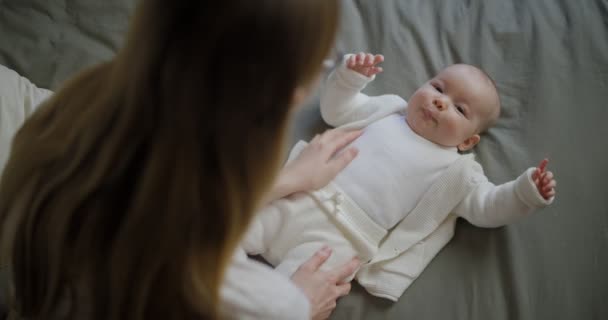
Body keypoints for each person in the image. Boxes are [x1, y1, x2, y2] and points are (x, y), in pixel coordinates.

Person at [0, 1, 362, 319]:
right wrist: (300, 303)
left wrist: (287, 181)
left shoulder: (66, 115)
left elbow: (164, 197)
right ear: (291, 93)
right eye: (323, 60)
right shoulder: (261, 302)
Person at [241, 52, 557, 301]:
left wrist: (523, 193)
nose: (440, 101)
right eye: (438, 87)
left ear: (467, 142)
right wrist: (348, 80)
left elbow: (488, 207)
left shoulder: (459, 171)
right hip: (303, 195)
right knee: (232, 232)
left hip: (343, 239)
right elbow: (336, 112)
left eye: (460, 110)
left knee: (293, 291)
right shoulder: (388, 109)